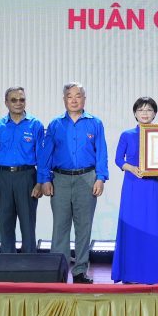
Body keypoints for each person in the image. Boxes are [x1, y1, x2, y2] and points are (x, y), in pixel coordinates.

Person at [38, 82, 108, 284]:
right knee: (60, 226)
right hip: (59, 179)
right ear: (64, 99)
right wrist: (45, 179)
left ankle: (80, 271)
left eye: (78, 96)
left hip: (87, 178)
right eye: (70, 96)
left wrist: (101, 178)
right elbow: (45, 154)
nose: (74, 100)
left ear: (84, 99)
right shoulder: (55, 124)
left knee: (83, 227)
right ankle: (58, 271)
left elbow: (101, 153)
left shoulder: (95, 123)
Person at [111, 97, 158, 285]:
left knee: (151, 227)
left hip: (151, 186)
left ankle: (151, 274)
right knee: (131, 228)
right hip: (132, 185)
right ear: (135, 113)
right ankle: (130, 273)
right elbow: (118, 159)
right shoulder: (127, 135)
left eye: (149, 110)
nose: (145, 113)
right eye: (141, 110)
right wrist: (131, 168)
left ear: (155, 113)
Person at [0, 86, 44, 254]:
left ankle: (29, 262)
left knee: (28, 224)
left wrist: (40, 182)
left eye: (22, 99)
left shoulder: (35, 125)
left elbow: (42, 157)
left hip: (27, 177)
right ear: (6, 103)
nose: (18, 103)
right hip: (2, 177)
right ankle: (7, 262)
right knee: (5, 223)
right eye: (13, 100)